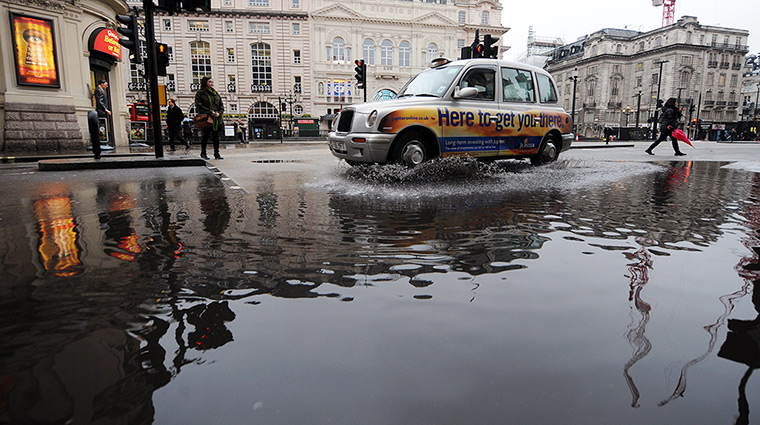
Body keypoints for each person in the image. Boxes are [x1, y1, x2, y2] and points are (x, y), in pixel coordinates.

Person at [194, 76, 225, 160]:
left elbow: (221, 106)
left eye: (212, 82)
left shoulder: (216, 93)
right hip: (207, 118)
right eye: (209, 82)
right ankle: (203, 152)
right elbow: (199, 105)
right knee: (206, 136)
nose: (211, 83)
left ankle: (216, 153)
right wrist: (210, 112)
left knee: (216, 137)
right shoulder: (200, 93)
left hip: (217, 119)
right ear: (205, 83)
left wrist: (219, 113)